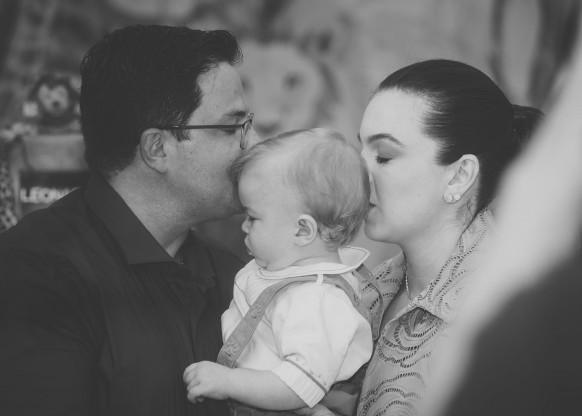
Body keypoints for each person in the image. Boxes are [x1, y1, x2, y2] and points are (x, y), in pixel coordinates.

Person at [0, 25, 259, 416]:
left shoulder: (235, 275)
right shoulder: (34, 274)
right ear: (157, 148)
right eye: (231, 127)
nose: (251, 145)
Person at [355, 59, 543, 416]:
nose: (356, 173)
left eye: (384, 156)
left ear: (459, 176)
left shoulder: (503, 316)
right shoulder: (364, 288)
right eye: (359, 152)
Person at [183, 128, 374, 415]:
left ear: (302, 230)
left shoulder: (316, 298)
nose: (243, 226)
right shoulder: (287, 270)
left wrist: (228, 381)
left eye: (253, 217)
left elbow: (299, 386)